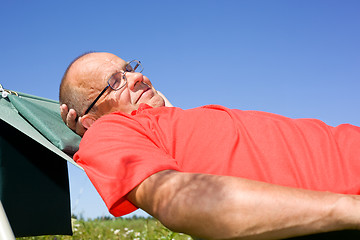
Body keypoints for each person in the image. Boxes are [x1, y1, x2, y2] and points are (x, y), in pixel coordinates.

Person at [59, 52, 360, 240]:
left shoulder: (177, 119)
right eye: (114, 81)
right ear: (89, 120)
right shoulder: (112, 131)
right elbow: (175, 200)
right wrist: (349, 209)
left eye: (131, 68)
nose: (138, 77)